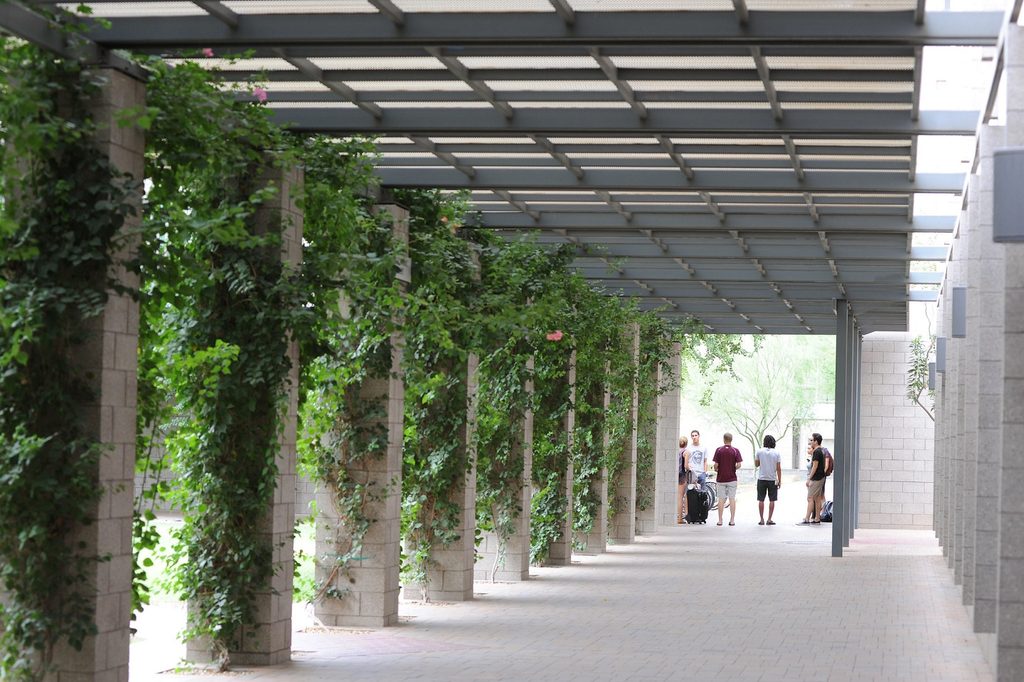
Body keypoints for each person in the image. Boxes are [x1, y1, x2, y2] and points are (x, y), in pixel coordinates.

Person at [712, 432, 742, 526]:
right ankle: (732, 520)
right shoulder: (735, 450)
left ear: (723, 439)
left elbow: (716, 465)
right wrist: (733, 469)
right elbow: (739, 464)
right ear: (731, 440)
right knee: (732, 498)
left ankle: (720, 520)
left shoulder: (719, 450)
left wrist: (718, 469)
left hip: (721, 478)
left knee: (721, 499)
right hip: (732, 478)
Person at [754, 434, 782, 526]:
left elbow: (757, 464)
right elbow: (778, 468)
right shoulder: (777, 453)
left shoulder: (759, 451)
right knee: (772, 500)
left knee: (761, 500)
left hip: (761, 479)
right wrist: (779, 480)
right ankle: (769, 519)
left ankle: (761, 519)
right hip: (772, 479)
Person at [800, 436, 827, 525]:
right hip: (821, 477)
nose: (810, 442)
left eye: (812, 440)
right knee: (817, 498)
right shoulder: (822, 451)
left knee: (810, 498)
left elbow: (815, 466)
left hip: (817, 478)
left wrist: (809, 478)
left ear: (816, 441)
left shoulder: (816, 451)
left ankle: (807, 518)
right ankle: (817, 518)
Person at [677, 435, 690, 524]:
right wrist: (690, 469)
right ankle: (680, 518)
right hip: (682, 475)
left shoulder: (676, 451)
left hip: (675, 474)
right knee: (681, 496)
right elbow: (685, 466)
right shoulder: (686, 452)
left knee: (678, 496)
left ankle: (678, 516)